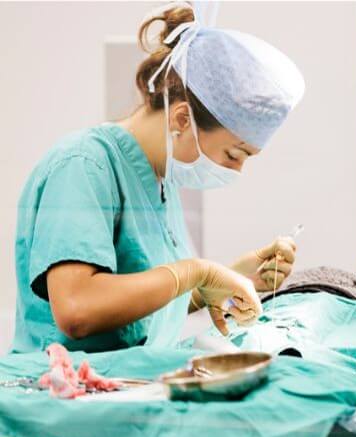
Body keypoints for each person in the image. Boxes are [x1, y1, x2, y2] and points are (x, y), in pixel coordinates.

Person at [11, 3, 304, 353]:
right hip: (60, 392)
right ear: (182, 119)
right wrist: (195, 272)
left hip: (126, 387)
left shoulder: (159, 180)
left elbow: (141, 310)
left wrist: (226, 279)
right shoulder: (83, 166)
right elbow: (78, 308)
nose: (236, 170)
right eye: (234, 154)